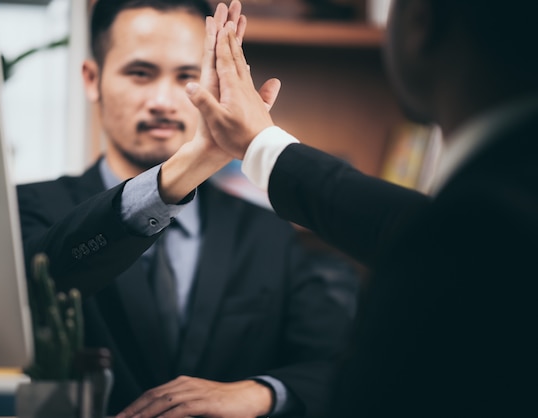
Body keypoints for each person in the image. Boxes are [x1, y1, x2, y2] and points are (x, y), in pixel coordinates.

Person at [185, 0, 538, 416]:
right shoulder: (490, 206)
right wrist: (262, 147)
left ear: (421, 22)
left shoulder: (479, 221)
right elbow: (419, 224)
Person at [17, 0, 358, 417]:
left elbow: (339, 367)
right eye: (140, 73)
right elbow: (38, 287)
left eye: (187, 76)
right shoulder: (30, 208)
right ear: (92, 79)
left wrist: (259, 392)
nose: (163, 100)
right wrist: (187, 167)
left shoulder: (269, 233)